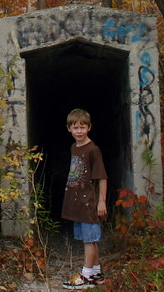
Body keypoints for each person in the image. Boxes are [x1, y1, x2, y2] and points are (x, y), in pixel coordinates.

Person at [61, 108, 108, 289]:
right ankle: (96, 273)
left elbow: (102, 177)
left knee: (90, 239)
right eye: (75, 127)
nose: (79, 131)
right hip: (78, 203)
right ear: (69, 129)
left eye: (82, 127)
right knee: (87, 239)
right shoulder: (74, 147)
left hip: (90, 203)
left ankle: (86, 276)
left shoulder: (93, 150)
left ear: (89, 128)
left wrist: (101, 201)